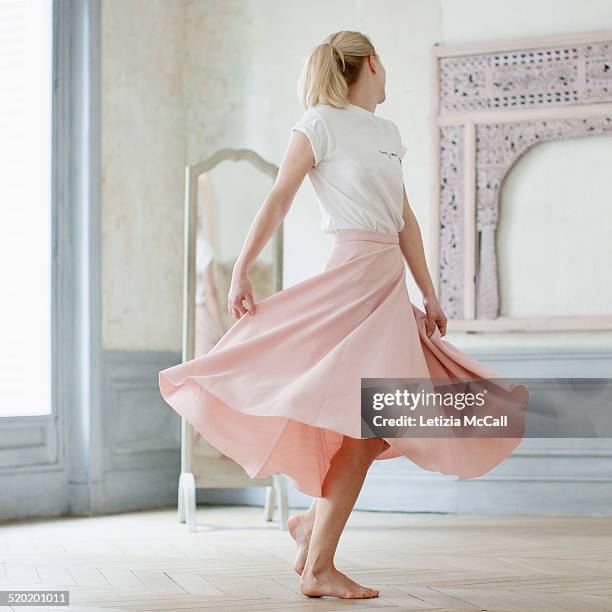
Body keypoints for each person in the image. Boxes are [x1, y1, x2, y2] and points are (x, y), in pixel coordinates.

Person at [159, 30, 527, 601]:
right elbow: (280, 196)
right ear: (372, 64)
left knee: (373, 421)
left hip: (386, 287)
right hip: (349, 282)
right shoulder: (318, 122)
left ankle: (313, 532)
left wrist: (429, 292)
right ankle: (318, 565)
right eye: (383, 66)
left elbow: (403, 219)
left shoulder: (387, 132)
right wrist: (240, 270)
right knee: (368, 420)